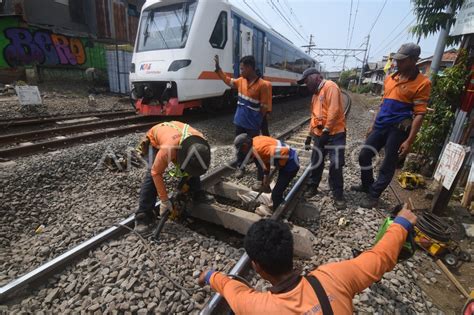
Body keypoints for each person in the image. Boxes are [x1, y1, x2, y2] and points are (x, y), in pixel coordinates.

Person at [198, 205, 417, 314]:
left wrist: (209, 276)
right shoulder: (334, 277)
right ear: (290, 252)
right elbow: (380, 257)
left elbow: (231, 288)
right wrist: (401, 224)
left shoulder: (260, 307)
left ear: (257, 267)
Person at [353, 43, 431, 209]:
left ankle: (374, 195)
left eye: (402, 61)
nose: (397, 63)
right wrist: (373, 125)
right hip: (380, 125)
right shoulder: (390, 79)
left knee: (388, 165)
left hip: (398, 130)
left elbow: (419, 115)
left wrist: (409, 141)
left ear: (413, 60)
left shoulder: (422, 83)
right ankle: (367, 186)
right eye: (397, 60)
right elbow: (383, 105)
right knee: (364, 156)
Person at [134, 121, 213, 233]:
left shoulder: (201, 143)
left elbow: (196, 164)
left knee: (194, 166)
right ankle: (143, 214)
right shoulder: (168, 149)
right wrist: (165, 200)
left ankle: (196, 191)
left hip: (177, 137)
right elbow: (156, 173)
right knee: (151, 175)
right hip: (156, 139)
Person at [214, 55, 272, 177]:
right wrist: (218, 69)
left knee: (255, 148)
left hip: (253, 125)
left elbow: (264, 107)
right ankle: (241, 167)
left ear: (250, 68)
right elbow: (228, 81)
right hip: (239, 122)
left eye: (242, 69)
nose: (241, 71)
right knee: (240, 147)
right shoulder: (241, 81)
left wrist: (259, 122)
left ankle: (261, 173)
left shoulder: (262, 85)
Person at [298, 68, 347, 209]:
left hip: (335, 134)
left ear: (316, 77)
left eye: (307, 81)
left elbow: (334, 110)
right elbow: (314, 117)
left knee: (336, 164)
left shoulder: (330, 86)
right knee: (316, 162)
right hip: (320, 134)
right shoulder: (315, 95)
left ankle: (338, 194)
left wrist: (326, 130)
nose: (306, 84)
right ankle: (313, 187)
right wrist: (309, 135)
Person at [234, 134, 299, 215]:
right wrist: (266, 175)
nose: (242, 153)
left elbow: (284, 152)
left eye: (241, 150)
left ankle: (278, 213)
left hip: (291, 164)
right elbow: (265, 159)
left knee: (276, 194)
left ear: (245, 146)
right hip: (284, 158)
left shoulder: (261, 149)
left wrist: (280, 165)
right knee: (276, 188)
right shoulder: (254, 142)